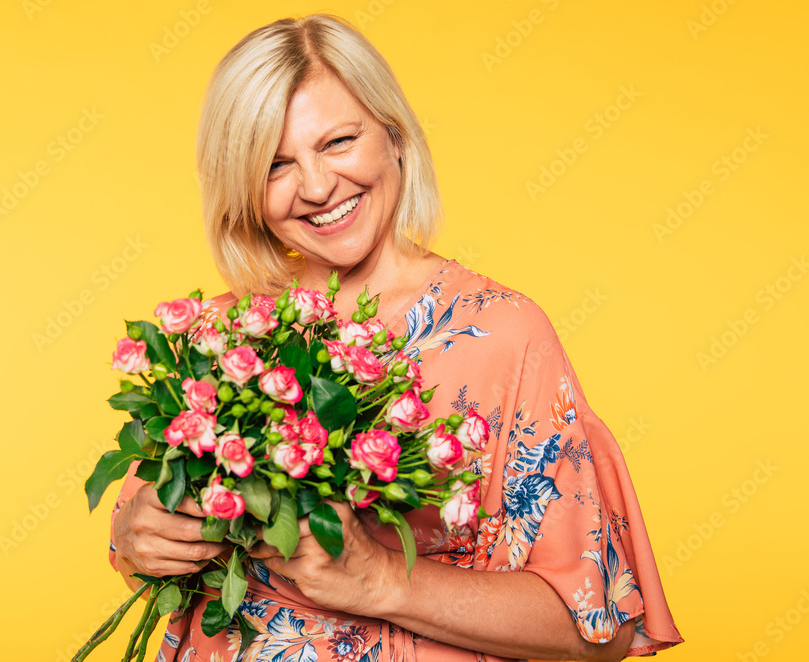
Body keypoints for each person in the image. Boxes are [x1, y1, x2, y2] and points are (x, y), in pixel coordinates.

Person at [109, 14, 682, 662]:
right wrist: (138, 539)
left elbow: (593, 626)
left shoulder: (502, 335)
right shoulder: (221, 344)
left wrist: (380, 581)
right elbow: (148, 566)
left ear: (394, 135)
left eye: (338, 142)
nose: (319, 187)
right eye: (275, 165)